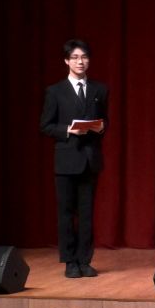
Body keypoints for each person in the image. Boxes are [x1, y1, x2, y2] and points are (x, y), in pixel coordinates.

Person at [39, 38, 108, 278]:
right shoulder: (55, 91)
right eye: (76, 58)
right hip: (66, 161)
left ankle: (85, 260)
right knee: (66, 214)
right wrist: (68, 130)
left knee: (87, 214)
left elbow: (105, 120)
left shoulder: (100, 89)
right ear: (66, 61)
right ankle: (70, 261)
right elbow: (45, 126)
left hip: (90, 159)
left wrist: (100, 127)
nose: (81, 62)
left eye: (84, 57)